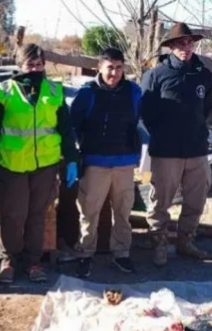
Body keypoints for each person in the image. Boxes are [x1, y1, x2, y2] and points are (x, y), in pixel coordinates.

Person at [0, 43, 79, 284]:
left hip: (45, 165)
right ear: (19, 65)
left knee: (37, 215)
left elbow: (65, 130)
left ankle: (33, 262)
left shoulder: (54, 92)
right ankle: (9, 261)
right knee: (13, 215)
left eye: (38, 63)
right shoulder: (3, 91)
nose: (34, 68)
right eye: (29, 63)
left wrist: (72, 159)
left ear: (44, 65)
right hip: (12, 165)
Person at [140, 22, 212, 267]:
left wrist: (195, 132)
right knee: (161, 201)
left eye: (190, 42)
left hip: (197, 150)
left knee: (196, 199)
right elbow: (146, 113)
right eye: (181, 43)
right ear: (171, 46)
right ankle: (159, 243)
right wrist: (164, 134)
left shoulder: (203, 73)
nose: (187, 47)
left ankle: (186, 241)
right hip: (166, 151)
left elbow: (206, 108)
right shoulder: (157, 74)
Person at [69, 47, 142, 278]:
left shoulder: (133, 92)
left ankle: (121, 254)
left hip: (125, 163)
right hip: (96, 163)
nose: (115, 72)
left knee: (123, 211)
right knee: (89, 212)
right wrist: (73, 158)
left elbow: (141, 121)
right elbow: (72, 127)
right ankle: (84, 255)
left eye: (119, 67)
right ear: (99, 67)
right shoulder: (87, 94)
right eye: (110, 67)